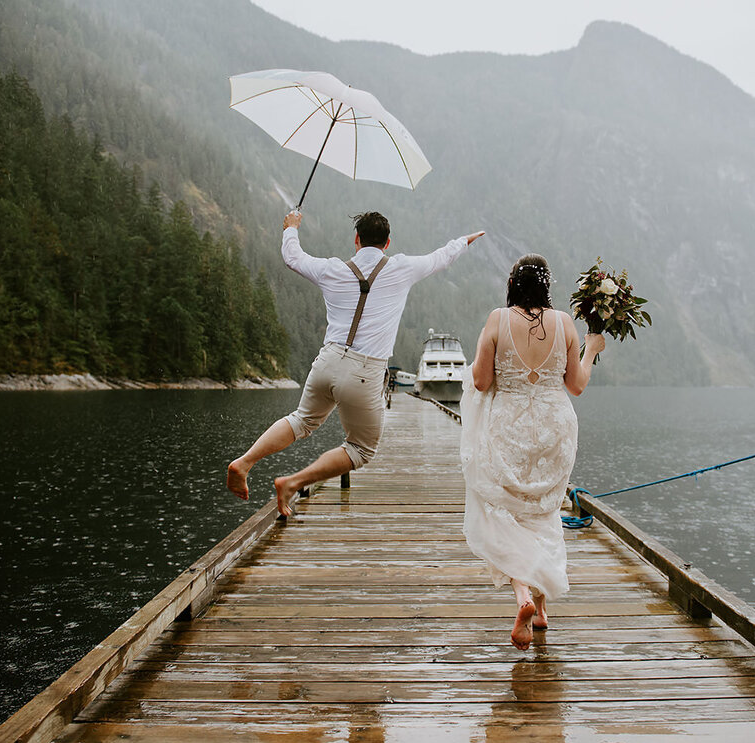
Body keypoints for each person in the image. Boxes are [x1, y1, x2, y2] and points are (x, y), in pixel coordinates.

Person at [228, 209, 484, 517]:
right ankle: (292, 482)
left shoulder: (332, 270)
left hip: (327, 361)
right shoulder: (402, 268)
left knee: (301, 421)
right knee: (361, 449)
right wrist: (464, 241)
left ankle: (244, 462)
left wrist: (291, 228)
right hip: (364, 371)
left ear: (356, 240)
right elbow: (440, 257)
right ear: (388, 243)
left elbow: (293, 257)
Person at [460, 254, 604, 650]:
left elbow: (481, 379)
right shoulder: (565, 324)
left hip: (509, 426)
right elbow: (575, 385)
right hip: (555, 428)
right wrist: (591, 349)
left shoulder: (497, 319)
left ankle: (523, 597)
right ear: (546, 285)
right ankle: (541, 612)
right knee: (543, 512)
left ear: (512, 285)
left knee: (507, 513)